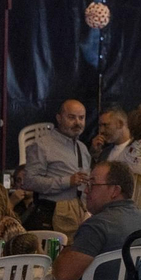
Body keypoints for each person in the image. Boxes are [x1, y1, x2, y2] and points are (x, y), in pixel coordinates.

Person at [21, 99, 91, 238]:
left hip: (79, 217)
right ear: (59, 118)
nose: (77, 122)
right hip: (52, 216)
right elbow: (29, 181)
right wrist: (67, 181)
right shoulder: (42, 145)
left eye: (81, 118)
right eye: (71, 117)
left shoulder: (82, 148)